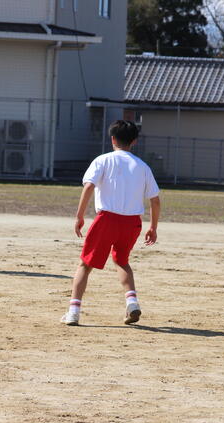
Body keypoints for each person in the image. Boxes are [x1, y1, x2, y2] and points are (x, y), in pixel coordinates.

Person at [61, 120, 161, 326]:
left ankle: (73, 312)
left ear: (113, 139)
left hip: (107, 219)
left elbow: (89, 187)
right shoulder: (142, 166)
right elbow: (155, 200)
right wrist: (153, 227)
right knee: (122, 261)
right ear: (134, 141)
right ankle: (132, 303)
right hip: (132, 223)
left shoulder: (103, 160)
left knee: (85, 264)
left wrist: (80, 216)